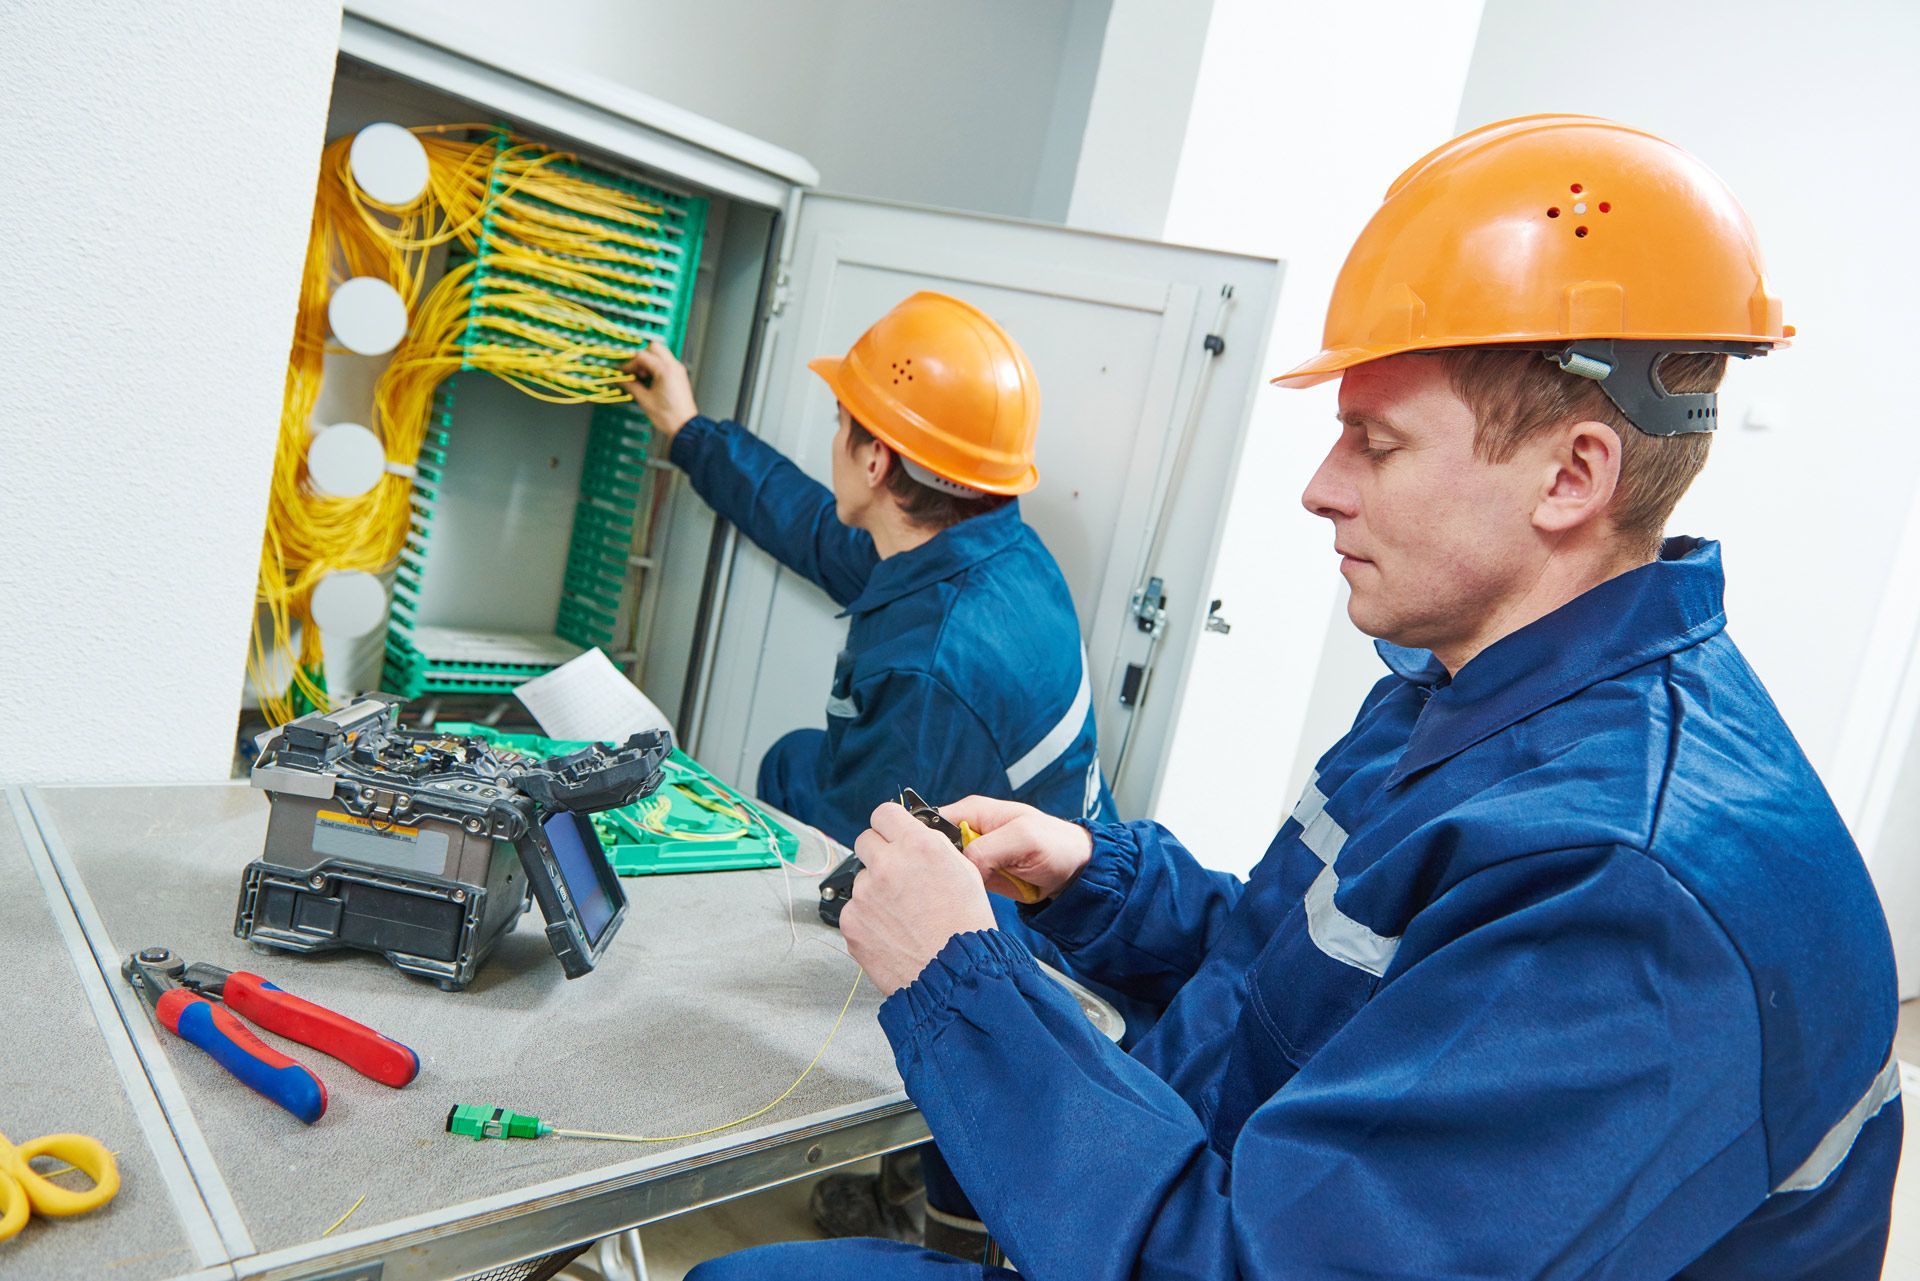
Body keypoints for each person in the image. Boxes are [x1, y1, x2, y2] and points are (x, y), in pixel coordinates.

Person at [688, 116, 1902, 1278]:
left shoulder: (1623, 896)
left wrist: (958, 975)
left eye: (1374, 445)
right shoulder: (1465, 698)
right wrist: (1091, 875)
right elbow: (1292, 979)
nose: (1321, 489)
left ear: (1572, 474)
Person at [623, 290, 1123, 1254]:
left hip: (1019, 936)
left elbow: (877, 867)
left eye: (846, 423)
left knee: (808, 861)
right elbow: (821, 529)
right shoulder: (985, 549)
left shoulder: (936, 661)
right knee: (790, 760)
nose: (837, 437)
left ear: (879, 461)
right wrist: (691, 432)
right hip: (1030, 855)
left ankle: (915, 1172)